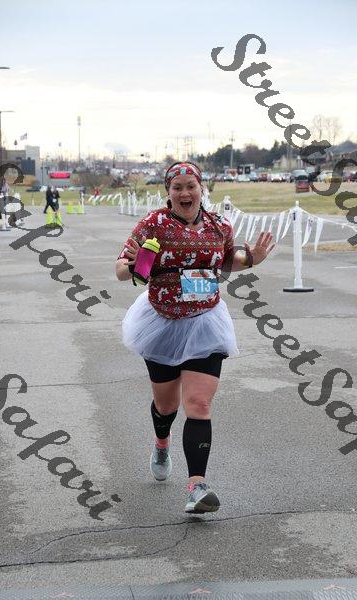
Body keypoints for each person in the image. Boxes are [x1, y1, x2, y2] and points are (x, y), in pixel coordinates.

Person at [115, 161, 275, 514]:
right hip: (161, 323)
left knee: (199, 404)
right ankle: (161, 443)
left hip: (205, 321)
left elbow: (226, 261)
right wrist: (136, 264)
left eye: (191, 186)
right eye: (178, 187)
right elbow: (121, 270)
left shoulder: (219, 225)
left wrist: (252, 259)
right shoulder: (153, 224)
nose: (185, 193)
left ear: (202, 189)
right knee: (166, 406)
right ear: (168, 192)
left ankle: (197, 487)